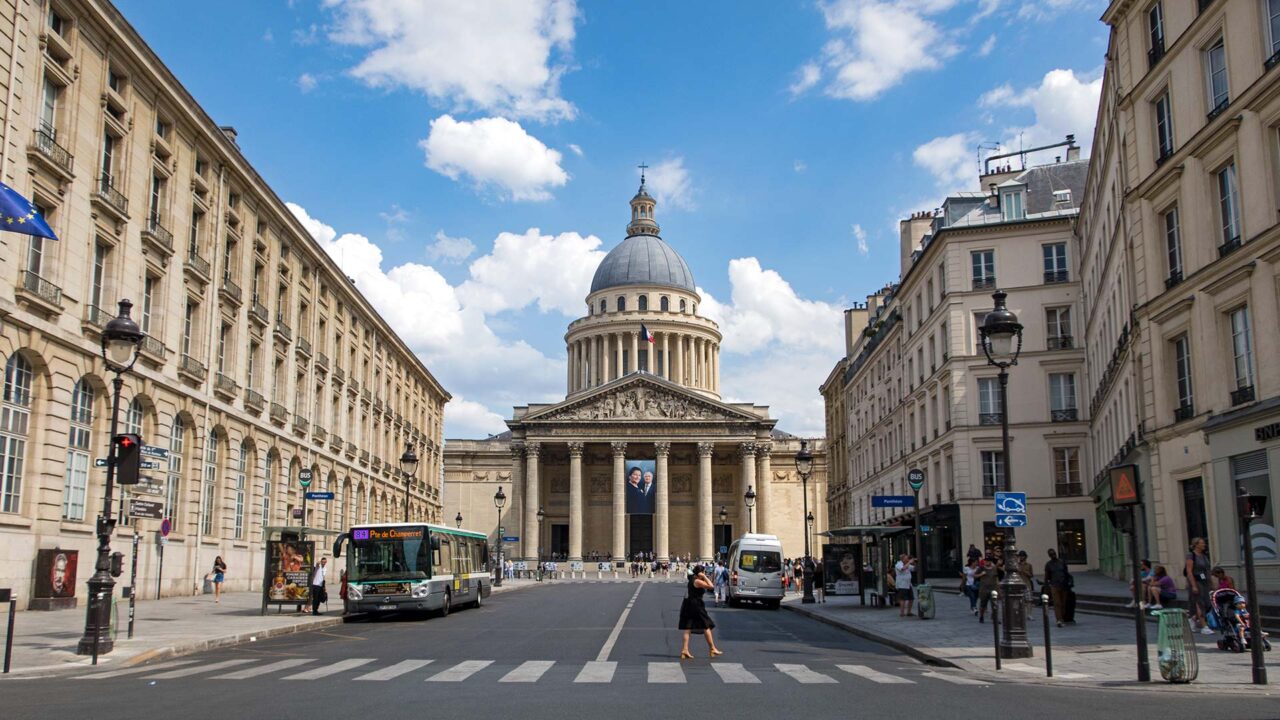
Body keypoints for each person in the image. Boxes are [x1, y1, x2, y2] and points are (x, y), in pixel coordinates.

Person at [678, 565, 722, 659]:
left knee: (688, 628)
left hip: (689, 605)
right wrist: (705, 577)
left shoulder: (692, 579)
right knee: (706, 625)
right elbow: (711, 586)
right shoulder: (697, 581)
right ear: (700, 573)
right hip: (697, 606)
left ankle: (684, 650)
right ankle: (712, 648)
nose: (705, 574)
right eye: (704, 572)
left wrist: (702, 576)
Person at [1184, 537, 1213, 634]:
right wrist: (1193, 585)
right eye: (1202, 543)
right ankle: (1204, 625)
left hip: (1204, 582)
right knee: (1199, 603)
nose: (1204, 545)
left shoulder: (1204, 556)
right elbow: (1189, 571)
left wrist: (1210, 583)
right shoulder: (1191, 556)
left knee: (1206, 603)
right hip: (1196, 581)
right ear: (1196, 545)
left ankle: (1192, 619)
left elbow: (1207, 570)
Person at [1043, 548, 1071, 627]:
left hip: (1063, 585)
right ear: (1049, 556)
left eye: (1054, 553)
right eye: (1051, 554)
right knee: (1057, 603)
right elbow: (1046, 577)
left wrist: (1068, 582)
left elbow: (1066, 573)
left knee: (1063, 603)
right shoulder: (1048, 564)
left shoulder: (1062, 562)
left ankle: (1062, 617)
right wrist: (1046, 587)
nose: (1053, 555)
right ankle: (1059, 619)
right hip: (1054, 585)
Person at [977, 557, 999, 623]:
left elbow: (996, 578)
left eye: (988, 561)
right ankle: (981, 616)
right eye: (986, 561)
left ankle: (994, 618)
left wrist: (998, 587)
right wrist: (981, 574)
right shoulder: (981, 568)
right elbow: (974, 575)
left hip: (993, 589)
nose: (987, 562)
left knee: (995, 604)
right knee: (983, 604)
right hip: (984, 589)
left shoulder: (994, 568)